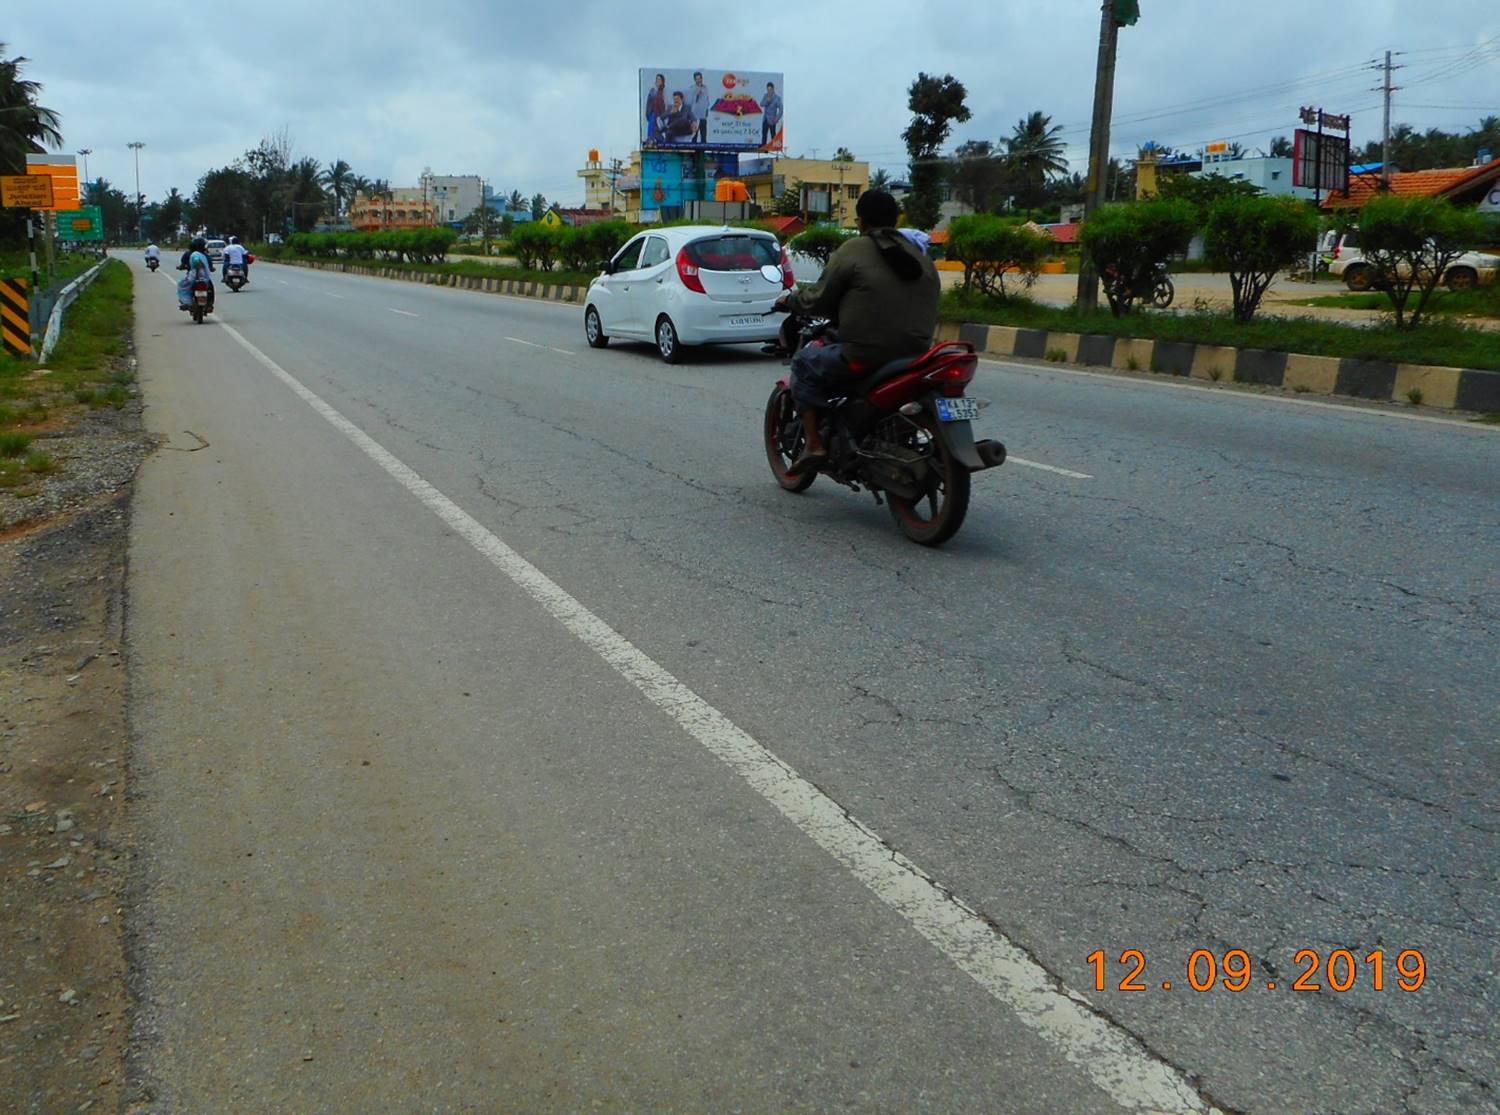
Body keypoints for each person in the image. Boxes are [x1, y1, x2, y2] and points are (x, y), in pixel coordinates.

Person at [772, 190, 939, 476]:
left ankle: (814, 445)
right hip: (917, 355)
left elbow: (819, 299)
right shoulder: (919, 256)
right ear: (895, 220)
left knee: (803, 364)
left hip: (866, 355)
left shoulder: (853, 250)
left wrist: (790, 301)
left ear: (861, 221)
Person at [176, 236, 215, 311]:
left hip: (194, 277)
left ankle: (186, 302)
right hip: (205, 278)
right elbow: (209, 266)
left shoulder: (190, 254)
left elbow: (195, 264)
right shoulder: (205, 255)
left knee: (182, 286)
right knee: (210, 288)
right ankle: (209, 304)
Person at [644, 73, 667, 145]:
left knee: (659, 132)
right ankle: (650, 140)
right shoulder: (652, 90)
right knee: (651, 132)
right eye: (657, 79)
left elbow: (665, 105)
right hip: (653, 114)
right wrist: (648, 114)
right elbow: (649, 103)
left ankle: (661, 141)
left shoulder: (664, 92)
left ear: (662, 81)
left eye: (659, 79)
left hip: (660, 116)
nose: (658, 81)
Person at [689, 71, 711, 143]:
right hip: (695, 115)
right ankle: (693, 152)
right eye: (697, 79)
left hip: (703, 114)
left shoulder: (705, 88)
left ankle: (703, 150)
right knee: (694, 135)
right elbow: (691, 101)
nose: (698, 80)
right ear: (694, 80)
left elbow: (707, 99)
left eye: (700, 78)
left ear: (702, 79)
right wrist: (697, 94)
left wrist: (707, 109)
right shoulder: (692, 88)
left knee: (703, 134)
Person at [760, 82, 783, 148]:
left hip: (772, 120)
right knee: (764, 134)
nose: (769, 91)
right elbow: (761, 104)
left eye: (770, 89)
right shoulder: (765, 95)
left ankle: (774, 147)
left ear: (773, 89)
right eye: (768, 89)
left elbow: (781, 110)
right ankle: (763, 147)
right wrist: (767, 101)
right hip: (765, 119)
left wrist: (777, 118)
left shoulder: (777, 98)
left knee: (773, 135)